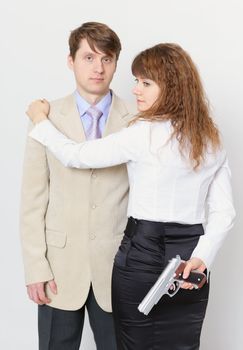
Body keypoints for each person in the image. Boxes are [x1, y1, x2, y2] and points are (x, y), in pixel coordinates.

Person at [26, 43, 235, 350]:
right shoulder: (209, 138)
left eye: (145, 83)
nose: (136, 90)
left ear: (173, 87)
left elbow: (75, 156)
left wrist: (40, 121)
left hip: (141, 254)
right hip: (190, 257)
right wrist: (202, 258)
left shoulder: (142, 133)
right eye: (137, 81)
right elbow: (224, 212)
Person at [20, 22, 136, 350]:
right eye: (88, 58)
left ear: (116, 63)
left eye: (107, 59)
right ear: (70, 61)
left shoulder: (136, 119)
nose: (98, 68)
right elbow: (32, 199)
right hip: (58, 269)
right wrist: (35, 267)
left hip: (117, 271)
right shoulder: (46, 117)